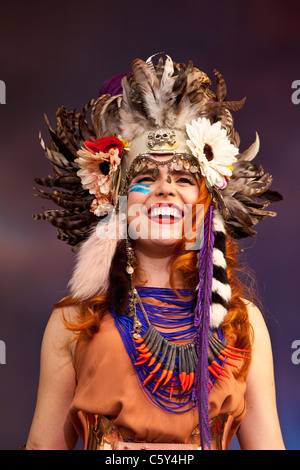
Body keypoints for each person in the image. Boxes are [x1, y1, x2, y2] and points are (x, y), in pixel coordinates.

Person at [25, 54, 285, 450]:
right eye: (145, 176)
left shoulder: (241, 324)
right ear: (116, 198)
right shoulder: (75, 322)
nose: (165, 189)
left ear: (205, 201)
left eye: (183, 177)